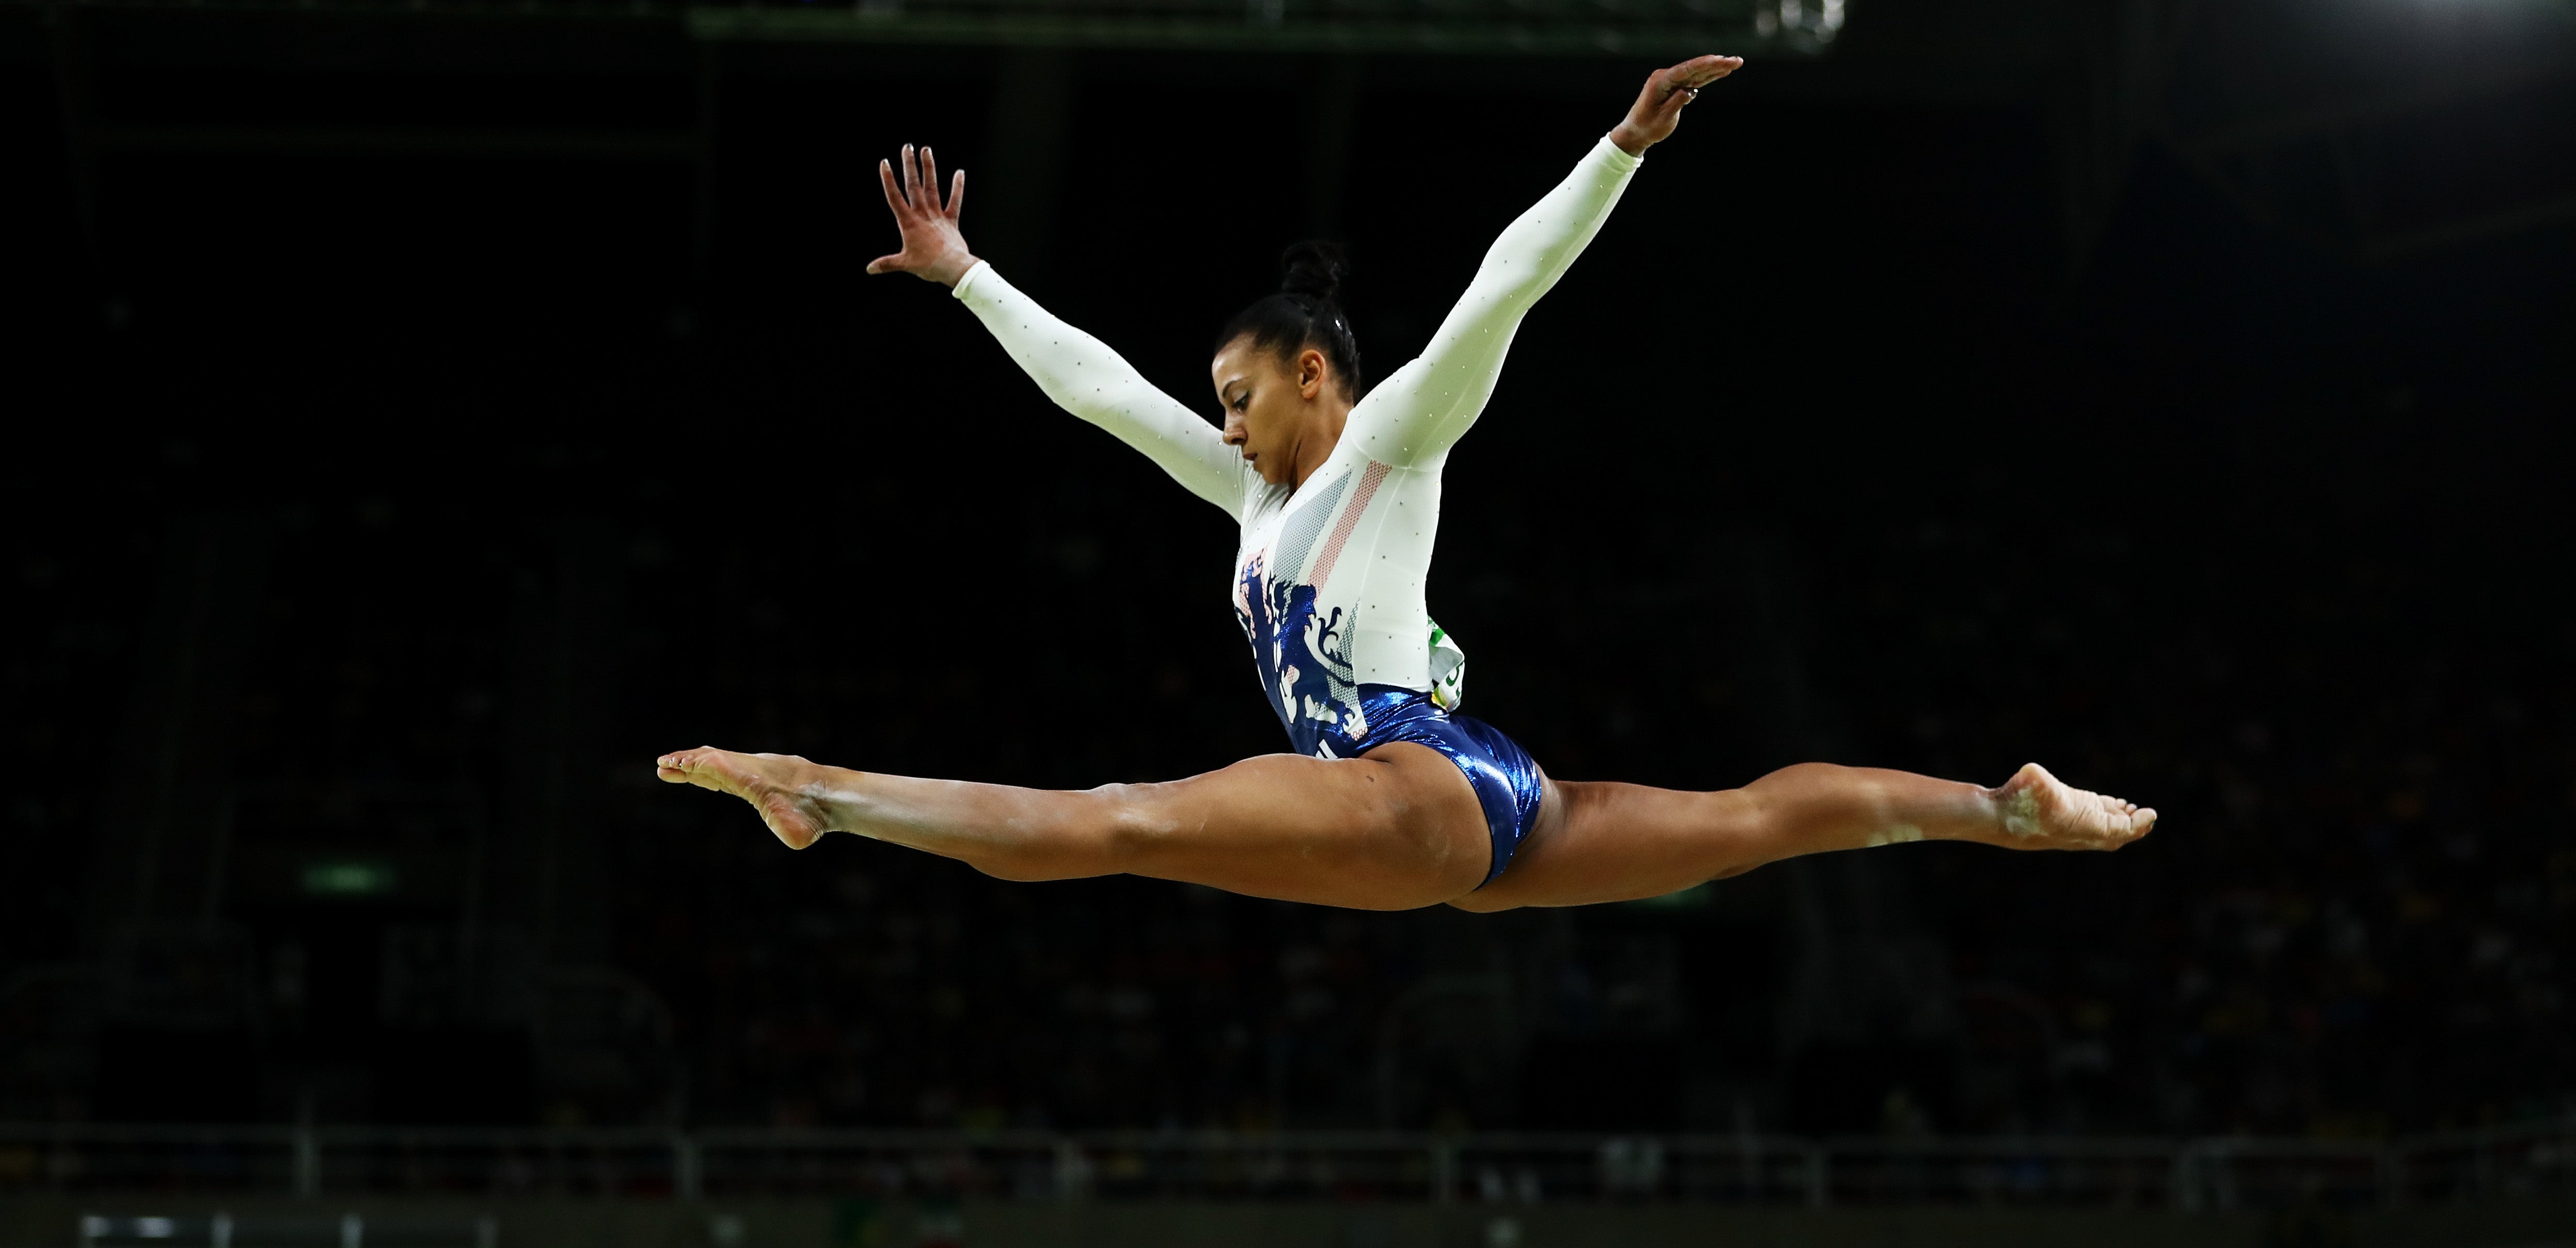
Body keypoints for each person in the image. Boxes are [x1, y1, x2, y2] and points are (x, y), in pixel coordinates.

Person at [657, 57, 2154, 911]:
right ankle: (1998, 809)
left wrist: (1618, 152)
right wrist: (970, 277)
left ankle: (824, 793)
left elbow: (1502, 293)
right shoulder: (1257, 500)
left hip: (1404, 781)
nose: (1223, 425)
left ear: (1319, 379)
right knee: (1755, 823)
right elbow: (1101, 388)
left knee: (1122, 821)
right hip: (1482, 793)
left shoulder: (1390, 444)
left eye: (1242, 398)